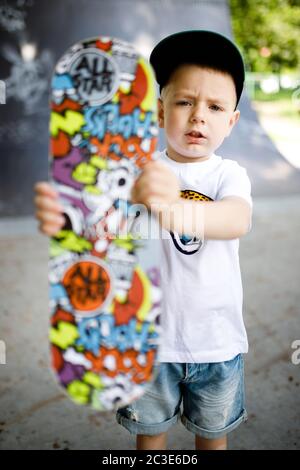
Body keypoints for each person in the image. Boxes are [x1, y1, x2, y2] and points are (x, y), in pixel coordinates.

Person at [34, 30, 253, 451]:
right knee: (149, 436)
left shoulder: (228, 174)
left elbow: (235, 219)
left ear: (232, 120)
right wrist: (68, 218)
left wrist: (169, 208)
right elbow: (107, 229)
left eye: (215, 106)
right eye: (184, 101)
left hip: (217, 341)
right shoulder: (135, 172)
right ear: (158, 110)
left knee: (213, 437)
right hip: (147, 340)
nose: (198, 117)